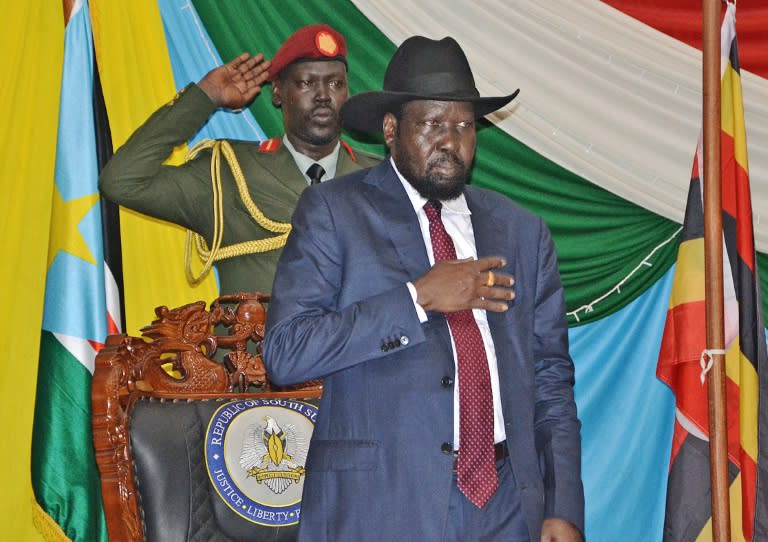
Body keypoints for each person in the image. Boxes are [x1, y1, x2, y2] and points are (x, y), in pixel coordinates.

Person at [263, 36, 584, 541]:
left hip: (506, 505)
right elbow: (286, 352)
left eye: (462, 126)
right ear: (392, 130)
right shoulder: (335, 211)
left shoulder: (522, 231)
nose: (450, 141)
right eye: (432, 124)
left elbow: (550, 378)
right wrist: (416, 299)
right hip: (385, 504)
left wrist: (562, 505)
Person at [99, 24, 380, 296]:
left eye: (335, 83)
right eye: (306, 83)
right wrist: (205, 97)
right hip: (256, 343)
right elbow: (123, 181)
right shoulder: (227, 173)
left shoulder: (383, 178)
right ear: (278, 93)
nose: (323, 96)